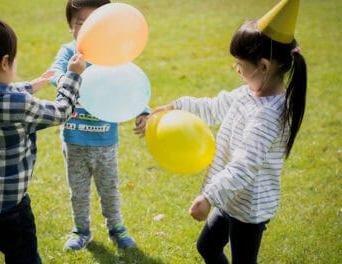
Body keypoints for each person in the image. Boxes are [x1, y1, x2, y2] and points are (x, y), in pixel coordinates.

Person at [139, 0, 307, 262]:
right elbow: (214, 107)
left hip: (248, 207)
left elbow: (243, 167)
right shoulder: (249, 93)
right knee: (206, 246)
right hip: (229, 196)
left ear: (263, 66)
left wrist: (209, 196)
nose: (236, 69)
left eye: (240, 64)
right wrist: (175, 106)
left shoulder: (268, 116)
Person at [0, 8, 85, 263]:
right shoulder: (20, 105)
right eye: (13, 61)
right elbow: (61, 111)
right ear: (4, 63)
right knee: (22, 256)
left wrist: (32, 84)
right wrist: (73, 76)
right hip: (9, 207)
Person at [48, 0, 148, 251]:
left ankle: (117, 228)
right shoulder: (69, 52)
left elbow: (131, 85)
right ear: (70, 26)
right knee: (78, 191)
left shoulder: (113, 55)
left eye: (91, 23)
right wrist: (66, 77)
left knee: (109, 190)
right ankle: (81, 230)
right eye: (79, 23)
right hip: (74, 139)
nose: (84, 29)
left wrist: (143, 110)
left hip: (105, 142)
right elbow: (53, 72)